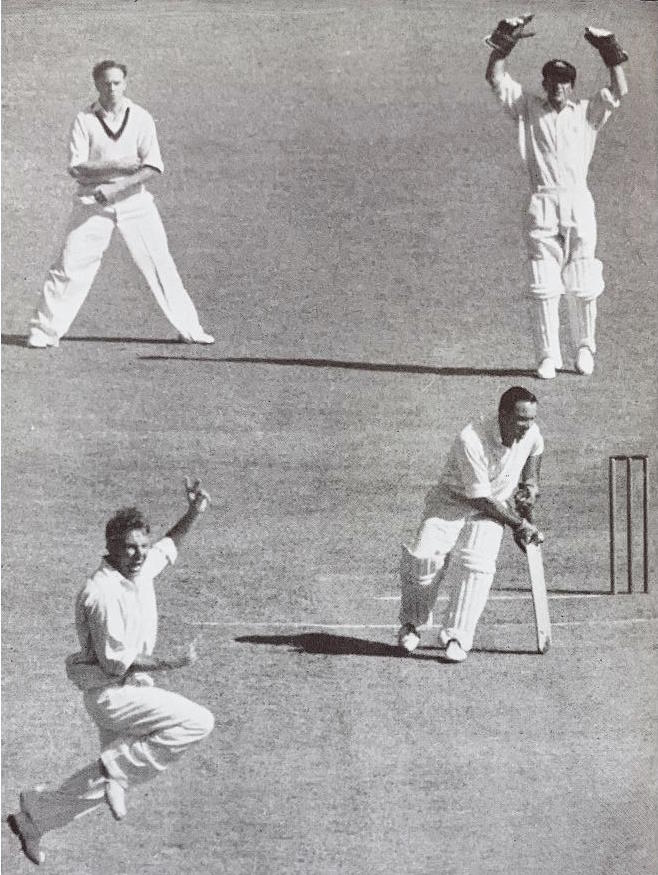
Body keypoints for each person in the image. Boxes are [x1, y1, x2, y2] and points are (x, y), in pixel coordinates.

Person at [7, 478, 215, 866]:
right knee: (199, 722)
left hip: (126, 690)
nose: (138, 555)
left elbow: (168, 546)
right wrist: (174, 661)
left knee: (100, 783)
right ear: (111, 549)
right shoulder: (100, 594)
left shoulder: (139, 567)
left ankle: (32, 818)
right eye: (129, 548)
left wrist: (193, 512)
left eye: (142, 547)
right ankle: (118, 770)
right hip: (113, 695)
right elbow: (117, 663)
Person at [25, 60, 214, 349]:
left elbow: (152, 166)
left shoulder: (141, 118)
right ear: (96, 85)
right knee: (69, 266)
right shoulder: (83, 119)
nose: (111, 88)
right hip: (91, 203)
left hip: (135, 203)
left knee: (160, 264)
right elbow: (77, 168)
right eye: (105, 83)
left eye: (116, 82)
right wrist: (120, 165)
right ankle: (44, 331)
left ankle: (190, 329)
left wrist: (117, 186)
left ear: (125, 83)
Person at [484, 17, 629, 379]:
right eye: (551, 81)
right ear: (544, 84)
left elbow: (619, 89)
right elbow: (496, 78)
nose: (557, 88)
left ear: (572, 86)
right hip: (542, 203)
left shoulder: (586, 113)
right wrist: (504, 45)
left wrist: (610, 52)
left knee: (582, 278)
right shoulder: (529, 109)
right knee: (544, 283)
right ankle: (548, 355)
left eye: (564, 83)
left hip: (579, 202)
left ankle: (584, 347)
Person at [397, 386, 544, 663]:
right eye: (520, 420)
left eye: (531, 419)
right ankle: (411, 625)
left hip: (492, 509)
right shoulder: (471, 439)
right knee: (423, 560)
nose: (527, 426)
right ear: (502, 415)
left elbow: (535, 451)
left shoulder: (530, 433)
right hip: (453, 501)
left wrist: (530, 484)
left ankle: (457, 638)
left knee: (477, 565)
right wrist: (519, 524)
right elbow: (480, 498)